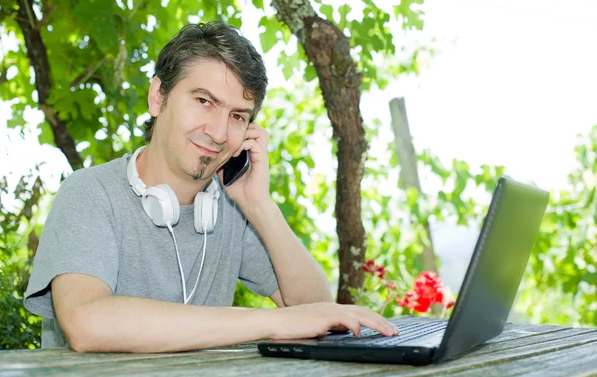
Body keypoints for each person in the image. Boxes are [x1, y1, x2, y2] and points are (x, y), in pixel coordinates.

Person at [24, 21, 399, 353]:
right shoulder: (89, 193)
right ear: (158, 97)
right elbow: (87, 323)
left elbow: (315, 307)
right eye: (204, 101)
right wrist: (268, 323)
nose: (219, 133)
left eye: (237, 116)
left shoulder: (232, 209)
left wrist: (258, 205)